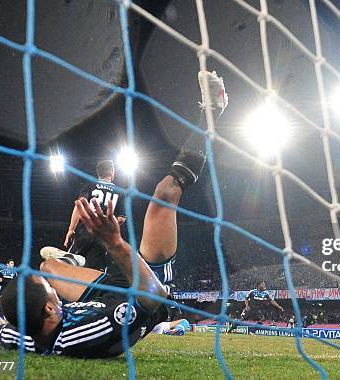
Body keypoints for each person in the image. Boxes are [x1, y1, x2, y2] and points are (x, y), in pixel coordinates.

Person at [40, 70, 228, 293]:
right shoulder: (118, 190)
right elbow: (118, 217)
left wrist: (72, 236)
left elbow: (77, 214)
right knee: (165, 194)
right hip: (148, 287)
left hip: (118, 284)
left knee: (48, 266)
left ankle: (75, 260)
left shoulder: (85, 314)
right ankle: (75, 260)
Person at [0, 198, 168, 358]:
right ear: (48, 307)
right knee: (162, 199)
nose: (54, 288)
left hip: (102, 297)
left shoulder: (25, 335)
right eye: (49, 288)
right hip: (141, 293)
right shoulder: (93, 329)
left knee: (47, 267)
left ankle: (70, 261)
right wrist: (114, 242)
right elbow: (155, 296)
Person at [42, 160, 126, 272]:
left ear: (98, 173)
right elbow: (121, 218)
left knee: (68, 268)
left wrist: (71, 229)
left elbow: (79, 206)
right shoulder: (120, 192)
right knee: (93, 272)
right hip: (103, 237)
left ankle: (71, 263)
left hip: (85, 231)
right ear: (112, 172)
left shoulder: (90, 186)